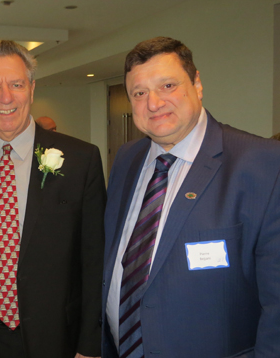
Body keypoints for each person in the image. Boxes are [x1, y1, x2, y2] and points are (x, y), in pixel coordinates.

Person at [102, 36, 280, 358]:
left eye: (168, 86)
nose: (153, 103)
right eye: (139, 93)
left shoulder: (263, 165)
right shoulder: (127, 159)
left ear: (197, 84)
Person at [0, 40, 106, 358]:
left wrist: (90, 344)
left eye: (16, 84)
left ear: (31, 89)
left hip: (53, 338)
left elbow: (94, 258)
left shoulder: (80, 158)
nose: (6, 97)